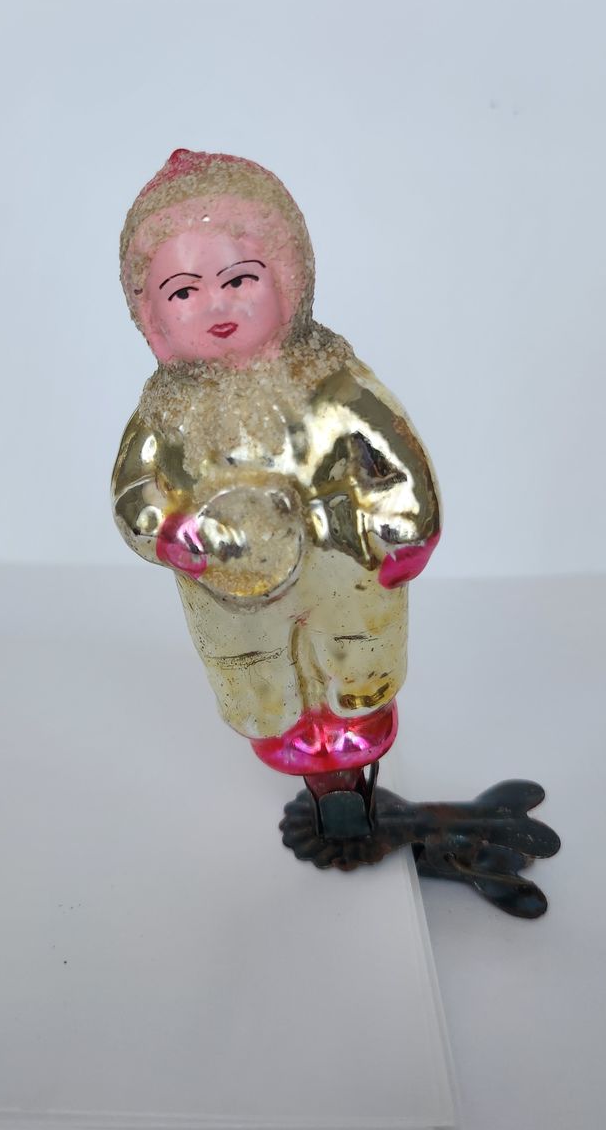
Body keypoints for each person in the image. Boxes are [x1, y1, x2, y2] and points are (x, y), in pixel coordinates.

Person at [112, 149, 440, 795]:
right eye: (184, 292)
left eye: (240, 280)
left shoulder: (333, 385)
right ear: (152, 317)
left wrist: (408, 527)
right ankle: (288, 736)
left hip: (343, 566)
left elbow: (396, 457)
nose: (216, 305)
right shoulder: (166, 413)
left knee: (356, 660)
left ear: (289, 281)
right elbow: (134, 491)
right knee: (258, 673)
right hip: (230, 591)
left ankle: (355, 741)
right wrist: (169, 532)